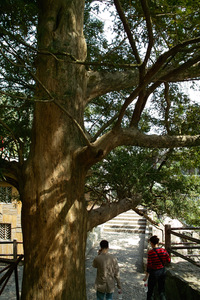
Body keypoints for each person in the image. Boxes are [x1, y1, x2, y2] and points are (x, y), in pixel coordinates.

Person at [143, 235, 171, 300]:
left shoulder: (151, 252)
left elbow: (149, 265)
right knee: (161, 291)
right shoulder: (164, 251)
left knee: (150, 291)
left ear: (152, 243)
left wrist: (146, 277)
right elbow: (168, 261)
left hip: (154, 272)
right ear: (157, 243)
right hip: (162, 271)